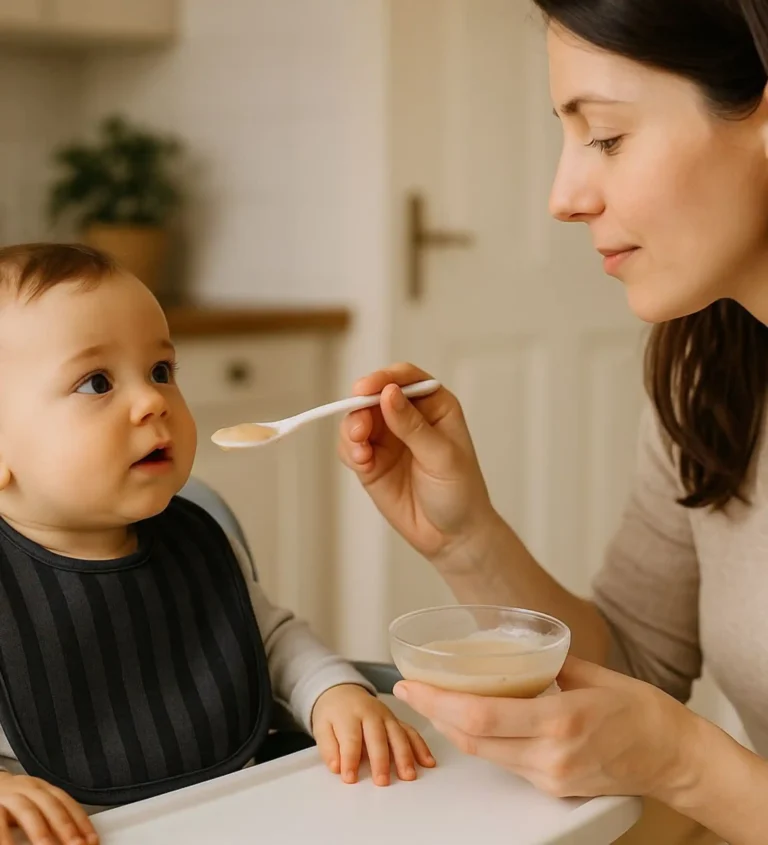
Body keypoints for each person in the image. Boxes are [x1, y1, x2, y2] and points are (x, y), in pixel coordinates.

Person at [339, 1, 768, 843]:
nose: (563, 198)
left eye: (606, 137)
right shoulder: (710, 370)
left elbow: (665, 741)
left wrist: (686, 764)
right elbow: (635, 667)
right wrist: (465, 538)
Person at [0, 243, 434, 845]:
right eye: (96, 382)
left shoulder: (198, 540)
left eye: (161, 371)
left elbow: (272, 639)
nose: (153, 400)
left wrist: (333, 692)